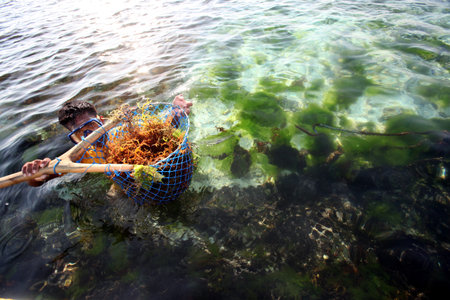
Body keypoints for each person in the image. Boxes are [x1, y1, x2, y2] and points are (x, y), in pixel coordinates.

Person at [22, 95, 193, 186]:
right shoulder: (82, 157)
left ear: (101, 121)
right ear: (73, 138)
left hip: (157, 170)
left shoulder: (125, 131)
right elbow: (42, 178)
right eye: (79, 134)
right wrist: (33, 174)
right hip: (126, 184)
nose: (88, 136)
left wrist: (176, 110)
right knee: (115, 197)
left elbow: (161, 130)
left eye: (91, 127)